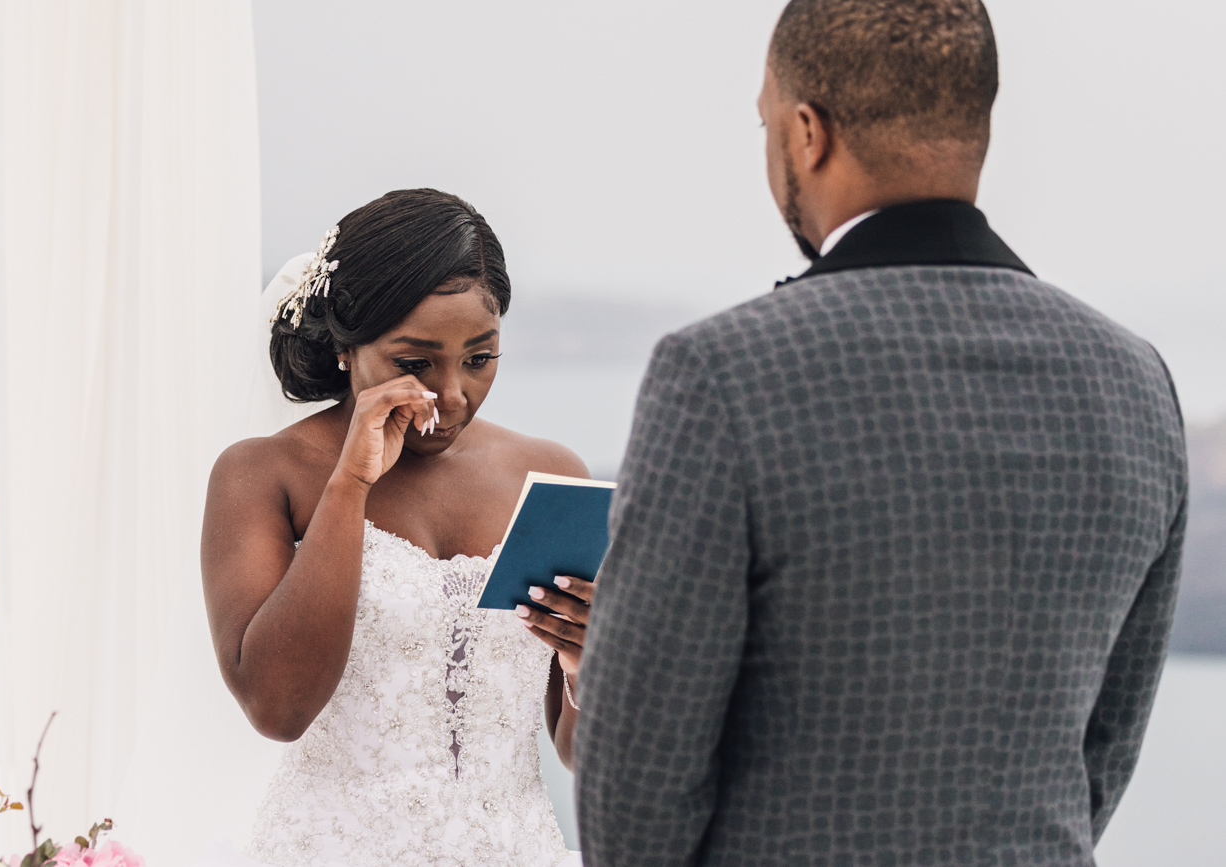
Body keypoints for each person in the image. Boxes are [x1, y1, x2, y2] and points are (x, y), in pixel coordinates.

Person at [574, 1, 1188, 865]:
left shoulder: (720, 374)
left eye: (764, 124)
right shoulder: (1138, 382)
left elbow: (635, 790)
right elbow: (1105, 749)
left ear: (806, 133)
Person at [200, 189, 587, 866]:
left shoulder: (550, 475)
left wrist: (592, 662)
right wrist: (349, 484)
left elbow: (582, 753)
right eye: (414, 364)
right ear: (346, 348)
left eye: (479, 358)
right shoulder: (262, 474)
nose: (453, 395)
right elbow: (278, 709)